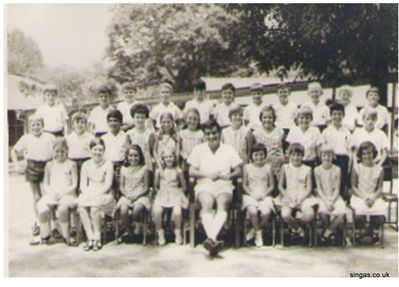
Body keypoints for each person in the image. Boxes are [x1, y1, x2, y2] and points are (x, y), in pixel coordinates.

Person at [188, 120, 242, 256]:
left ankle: (211, 239)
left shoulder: (229, 150)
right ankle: (213, 240)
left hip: (224, 185)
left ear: (219, 133)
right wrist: (207, 174)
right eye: (208, 134)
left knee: (222, 203)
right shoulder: (198, 149)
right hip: (204, 185)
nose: (211, 136)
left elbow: (239, 171)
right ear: (204, 135)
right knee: (207, 203)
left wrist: (226, 176)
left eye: (214, 133)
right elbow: (191, 171)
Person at [11, 115, 56, 241]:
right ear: (29, 127)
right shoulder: (26, 138)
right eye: (33, 125)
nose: (35, 127)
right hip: (32, 167)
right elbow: (14, 151)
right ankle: (38, 222)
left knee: (49, 195)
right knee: (36, 197)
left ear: (43, 125)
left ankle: (53, 225)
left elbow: (57, 151)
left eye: (38, 125)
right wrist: (16, 164)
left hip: (47, 166)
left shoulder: (50, 137)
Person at [34, 138, 78, 246]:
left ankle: (66, 236)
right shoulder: (49, 165)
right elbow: (45, 183)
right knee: (42, 207)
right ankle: (45, 235)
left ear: (67, 150)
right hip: (52, 193)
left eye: (62, 151)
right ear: (53, 151)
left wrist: (63, 193)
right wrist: (51, 193)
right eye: (57, 151)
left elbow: (74, 184)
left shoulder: (72, 164)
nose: (60, 154)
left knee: (63, 208)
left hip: (67, 193)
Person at [78, 138, 115, 251]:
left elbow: (108, 184)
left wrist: (97, 194)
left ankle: (97, 237)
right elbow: (83, 185)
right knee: (81, 207)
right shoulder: (85, 164)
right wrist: (87, 193)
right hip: (89, 191)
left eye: (100, 150)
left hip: (104, 192)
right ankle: (90, 237)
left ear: (104, 151)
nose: (97, 152)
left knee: (94, 208)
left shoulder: (108, 164)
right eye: (95, 149)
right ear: (90, 150)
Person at [278, 143, 317, 239]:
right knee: (285, 214)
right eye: (293, 155)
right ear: (290, 155)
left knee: (309, 215)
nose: (296, 158)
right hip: (289, 194)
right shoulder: (285, 167)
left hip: (303, 196)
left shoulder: (307, 169)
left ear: (302, 156)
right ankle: (298, 229)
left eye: (299, 155)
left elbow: (309, 188)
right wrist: (287, 196)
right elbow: (280, 186)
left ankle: (295, 226)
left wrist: (301, 199)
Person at [351, 141, 386, 243]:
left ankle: (374, 232)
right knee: (359, 214)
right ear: (360, 155)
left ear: (374, 153)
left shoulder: (379, 169)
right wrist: (364, 198)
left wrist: (373, 198)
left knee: (380, 215)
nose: (367, 156)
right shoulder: (357, 168)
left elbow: (380, 188)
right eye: (364, 154)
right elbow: (354, 187)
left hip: (373, 196)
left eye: (369, 153)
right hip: (360, 195)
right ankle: (359, 232)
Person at [115, 145, 151, 243]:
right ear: (127, 156)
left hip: (141, 194)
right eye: (130, 155)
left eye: (136, 156)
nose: (133, 158)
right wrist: (127, 195)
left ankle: (128, 225)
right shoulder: (123, 169)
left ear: (140, 157)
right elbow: (121, 186)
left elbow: (146, 187)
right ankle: (131, 233)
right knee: (123, 209)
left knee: (137, 208)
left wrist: (137, 195)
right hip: (127, 194)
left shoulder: (144, 168)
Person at [242, 143, 275, 247]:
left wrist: (264, 194)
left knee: (266, 212)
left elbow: (272, 185)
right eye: (256, 155)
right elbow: (244, 185)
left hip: (264, 194)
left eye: (261, 154)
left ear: (265, 155)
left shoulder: (268, 168)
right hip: (251, 195)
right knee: (252, 211)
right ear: (251, 156)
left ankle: (254, 231)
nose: (259, 157)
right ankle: (259, 235)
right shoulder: (247, 167)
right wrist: (251, 194)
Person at [153, 150, 188, 245]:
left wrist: (178, 192)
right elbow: (155, 186)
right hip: (163, 194)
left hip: (175, 193)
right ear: (163, 159)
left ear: (174, 158)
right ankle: (160, 232)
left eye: (171, 156)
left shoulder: (178, 170)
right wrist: (160, 192)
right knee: (158, 210)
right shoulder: (159, 171)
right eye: (166, 157)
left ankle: (177, 231)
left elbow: (184, 186)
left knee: (177, 211)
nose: (169, 159)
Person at [314, 145, 346, 244]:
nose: (327, 158)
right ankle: (331, 233)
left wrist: (332, 200)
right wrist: (326, 201)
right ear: (320, 157)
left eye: (329, 155)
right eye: (324, 155)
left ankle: (326, 234)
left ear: (333, 157)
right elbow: (319, 188)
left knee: (341, 213)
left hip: (334, 196)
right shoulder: (317, 170)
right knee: (323, 212)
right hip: (323, 196)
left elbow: (337, 188)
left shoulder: (337, 169)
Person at [321, 102, 352, 200]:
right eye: (334, 114)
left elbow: (350, 149)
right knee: (331, 182)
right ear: (330, 116)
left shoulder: (346, 131)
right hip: (331, 159)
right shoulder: (326, 132)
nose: (337, 116)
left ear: (343, 115)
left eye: (339, 114)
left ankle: (342, 202)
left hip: (343, 160)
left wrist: (349, 163)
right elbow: (323, 148)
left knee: (342, 183)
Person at [249, 106, 286, 178]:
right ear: (261, 119)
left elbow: (284, 149)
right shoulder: (256, 133)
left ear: (274, 119)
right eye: (264, 117)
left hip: (277, 165)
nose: (267, 120)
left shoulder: (280, 132)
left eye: (270, 117)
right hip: (262, 164)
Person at [101, 110, 131, 195]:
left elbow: (128, 152)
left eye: (115, 121)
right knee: (110, 191)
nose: (113, 123)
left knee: (121, 190)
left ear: (120, 122)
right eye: (110, 121)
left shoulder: (125, 136)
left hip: (121, 166)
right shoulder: (104, 137)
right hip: (108, 166)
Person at [66, 112, 95, 178]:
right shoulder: (68, 138)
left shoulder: (91, 138)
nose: (80, 125)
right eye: (77, 122)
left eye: (82, 122)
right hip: (73, 162)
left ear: (86, 125)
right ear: (73, 125)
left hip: (87, 162)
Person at [127, 104, 153, 170]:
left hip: (147, 162)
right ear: (133, 117)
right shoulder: (130, 133)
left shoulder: (150, 133)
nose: (140, 120)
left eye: (142, 117)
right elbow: (128, 151)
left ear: (146, 118)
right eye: (137, 117)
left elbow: (152, 151)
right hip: (134, 162)